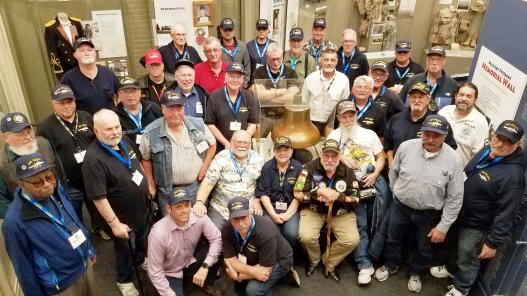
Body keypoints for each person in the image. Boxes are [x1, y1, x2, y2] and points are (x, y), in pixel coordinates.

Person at [431, 120, 524, 296]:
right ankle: (451, 270)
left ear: (517, 145)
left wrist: (492, 243)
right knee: (455, 248)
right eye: (498, 137)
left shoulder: (513, 176)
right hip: (461, 213)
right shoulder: (490, 149)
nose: (500, 143)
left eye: (508, 141)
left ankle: (461, 288)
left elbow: (507, 214)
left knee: (468, 258)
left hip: (477, 226)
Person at [374, 114, 464, 293]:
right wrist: (398, 194)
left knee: (424, 248)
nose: (430, 139)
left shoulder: (454, 159)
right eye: (427, 134)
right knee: (393, 239)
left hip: (429, 214)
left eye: (436, 136)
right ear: (421, 132)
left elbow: (455, 197)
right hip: (400, 207)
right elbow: (394, 174)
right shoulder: (406, 147)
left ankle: (415, 272)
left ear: (445, 136)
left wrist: (443, 227)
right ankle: (391, 265)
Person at [2, 152, 97, 296]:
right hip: (62, 287)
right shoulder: (14, 222)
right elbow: (23, 269)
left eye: (49, 177)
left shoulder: (55, 190)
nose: (47, 184)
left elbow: (73, 220)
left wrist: (88, 248)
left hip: (85, 267)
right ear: (21, 184)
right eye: (38, 182)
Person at [82, 109, 149, 296]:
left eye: (117, 126)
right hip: (121, 218)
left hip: (141, 209)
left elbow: (136, 165)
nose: (115, 132)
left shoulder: (123, 141)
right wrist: (114, 224)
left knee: (142, 240)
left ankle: (140, 258)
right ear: (96, 131)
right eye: (108, 129)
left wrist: (147, 185)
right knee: (124, 251)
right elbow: (98, 197)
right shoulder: (93, 160)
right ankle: (124, 279)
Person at [327, 101, 386, 285]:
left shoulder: (369, 134)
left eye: (351, 115)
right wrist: (340, 157)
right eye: (344, 116)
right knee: (359, 223)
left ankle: (377, 257)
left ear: (356, 115)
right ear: (338, 118)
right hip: (350, 188)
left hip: (373, 182)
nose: (348, 119)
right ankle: (364, 264)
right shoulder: (334, 136)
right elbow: (326, 160)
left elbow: (381, 157)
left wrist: (376, 173)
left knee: (380, 220)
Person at [37, 84, 107, 237]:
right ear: (53, 104)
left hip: (92, 175)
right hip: (68, 181)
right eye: (62, 103)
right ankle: (80, 236)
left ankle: (100, 228)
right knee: (73, 211)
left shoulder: (86, 117)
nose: (67, 106)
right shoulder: (45, 127)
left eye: (70, 102)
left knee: (96, 205)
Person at [140, 90, 216, 216]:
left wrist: (205, 166)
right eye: (171, 109)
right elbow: (146, 159)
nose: (176, 113)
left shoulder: (198, 125)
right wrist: (151, 183)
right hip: (167, 192)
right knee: (172, 228)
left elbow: (212, 145)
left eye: (179, 108)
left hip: (195, 189)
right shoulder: (151, 131)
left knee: (197, 225)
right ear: (163, 109)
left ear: (184, 108)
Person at [294, 139, 361, 283]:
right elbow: (297, 193)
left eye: (334, 156)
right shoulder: (308, 168)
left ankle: (329, 262)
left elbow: (356, 199)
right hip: (314, 209)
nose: (330, 160)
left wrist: (340, 196)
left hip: (340, 211)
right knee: (305, 236)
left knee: (352, 240)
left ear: (339, 156)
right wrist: (317, 193)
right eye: (326, 155)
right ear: (321, 154)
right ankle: (315, 260)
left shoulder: (348, 172)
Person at [148, 188, 222, 296]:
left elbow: (217, 239)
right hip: (170, 272)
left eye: (187, 205)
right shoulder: (157, 234)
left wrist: (205, 267)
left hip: (190, 261)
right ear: (169, 209)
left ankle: (204, 282)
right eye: (179, 207)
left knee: (219, 249)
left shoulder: (199, 216)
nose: (184, 211)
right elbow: (155, 272)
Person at [222, 196, 297, 295]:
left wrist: (238, 275)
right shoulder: (227, 228)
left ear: (250, 212)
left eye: (244, 218)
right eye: (235, 219)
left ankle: (284, 273)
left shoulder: (266, 232)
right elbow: (229, 260)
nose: (240, 224)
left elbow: (265, 270)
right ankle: (274, 280)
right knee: (240, 288)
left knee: (253, 290)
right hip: (255, 256)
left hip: (280, 259)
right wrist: (253, 271)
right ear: (230, 218)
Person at [193, 130, 265, 230]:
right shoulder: (221, 158)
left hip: (248, 207)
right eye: (239, 142)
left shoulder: (258, 160)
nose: (242, 145)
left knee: (255, 232)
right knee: (215, 232)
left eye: (246, 143)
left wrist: (257, 200)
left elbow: (264, 185)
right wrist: (200, 202)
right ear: (231, 142)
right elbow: (208, 182)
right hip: (222, 207)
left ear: (250, 144)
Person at [384, 82, 457, 167]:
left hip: (426, 172)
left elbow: (450, 147)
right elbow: (388, 143)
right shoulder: (396, 119)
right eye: (413, 97)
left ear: (428, 99)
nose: (416, 100)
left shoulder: (439, 122)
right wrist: (391, 162)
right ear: (408, 98)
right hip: (398, 170)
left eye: (421, 97)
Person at [0, 112, 58, 209]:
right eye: (21, 134)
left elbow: (60, 174)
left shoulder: (44, 144)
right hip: (28, 214)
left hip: (56, 204)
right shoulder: (2, 164)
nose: (28, 137)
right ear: (6, 137)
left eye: (29, 131)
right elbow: (2, 202)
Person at [256, 136, 302, 247]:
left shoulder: (298, 167)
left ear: (292, 151)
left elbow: (298, 195)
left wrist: (287, 215)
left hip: (291, 208)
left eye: (286, 150)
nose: (282, 153)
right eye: (279, 150)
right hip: (270, 207)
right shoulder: (267, 167)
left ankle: (288, 259)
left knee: (291, 233)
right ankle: (272, 259)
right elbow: (264, 194)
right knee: (270, 231)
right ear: (274, 152)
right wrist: (273, 214)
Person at [205, 62, 260, 153]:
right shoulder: (215, 96)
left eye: (238, 77)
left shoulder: (249, 96)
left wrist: (242, 142)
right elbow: (210, 124)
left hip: (244, 147)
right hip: (222, 147)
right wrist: (227, 144)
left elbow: (252, 124)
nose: (235, 80)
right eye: (231, 76)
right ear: (225, 77)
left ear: (242, 79)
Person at [61, 38, 119, 114]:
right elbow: (63, 103)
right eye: (81, 51)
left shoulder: (107, 72)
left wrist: (118, 111)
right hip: (85, 123)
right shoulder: (68, 78)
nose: (86, 53)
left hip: (109, 122)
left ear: (94, 52)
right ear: (75, 55)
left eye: (89, 50)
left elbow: (121, 93)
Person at [252, 43, 300, 137]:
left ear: (282, 56)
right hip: (263, 117)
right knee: (260, 144)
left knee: (283, 145)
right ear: (267, 57)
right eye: (273, 59)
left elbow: (291, 97)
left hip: (283, 117)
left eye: (279, 59)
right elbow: (258, 96)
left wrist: (267, 97)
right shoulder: (259, 72)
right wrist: (281, 91)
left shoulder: (291, 73)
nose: (276, 62)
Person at [438, 82, 489, 166]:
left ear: (475, 100)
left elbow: (478, 156)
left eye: (469, 96)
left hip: (456, 173)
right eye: (461, 95)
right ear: (455, 96)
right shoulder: (445, 111)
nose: (464, 99)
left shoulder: (480, 122)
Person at [302, 48, 350, 136]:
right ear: (321, 61)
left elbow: (344, 105)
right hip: (311, 122)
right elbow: (304, 101)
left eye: (332, 60)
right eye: (326, 60)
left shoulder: (343, 80)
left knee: (329, 148)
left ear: (336, 62)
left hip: (332, 124)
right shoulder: (310, 78)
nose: (329, 63)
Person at [115, 77, 162, 147]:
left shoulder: (153, 108)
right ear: (119, 94)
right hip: (132, 155)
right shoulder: (114, 116)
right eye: (125, 92)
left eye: (133, 91)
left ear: (139, 92)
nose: (130, 95)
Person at [219, 18, 251, 87]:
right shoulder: (217, 46)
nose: (228, 32)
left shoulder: (242, 46)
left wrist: (244, 84)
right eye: (225, 30)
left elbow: (247, 66)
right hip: (223, 85)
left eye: (230, 30)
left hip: (240, 85)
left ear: (234, 30)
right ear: (221, 30)